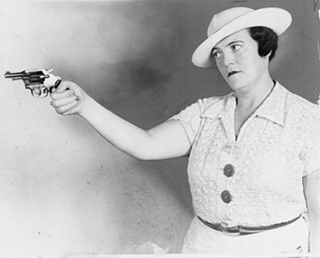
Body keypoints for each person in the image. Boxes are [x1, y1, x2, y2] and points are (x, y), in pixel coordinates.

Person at [50, 6, 320, 254]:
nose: (227, 61)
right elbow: (145, 144)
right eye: (218, 53)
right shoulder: (205, 114)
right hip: (203, 249)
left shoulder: (306, 119)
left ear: (265, 47)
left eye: (236, 47)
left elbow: (319, 212)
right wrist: (84, 105)